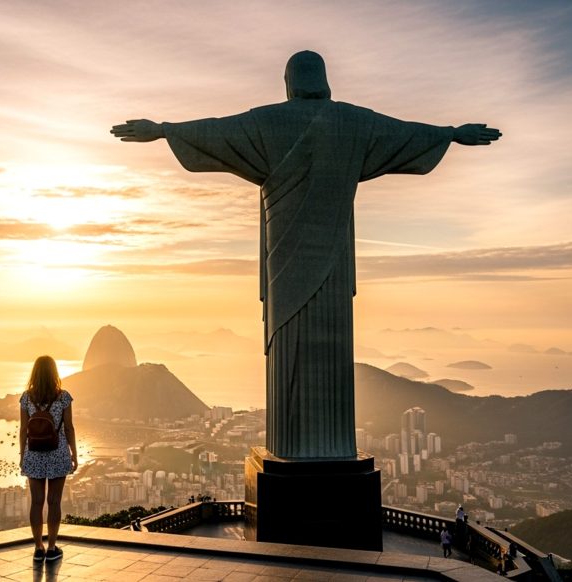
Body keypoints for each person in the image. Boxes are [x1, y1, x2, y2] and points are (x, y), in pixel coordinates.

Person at [111, 50, 501, 459]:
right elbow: (404, 133)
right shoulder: (355, 123)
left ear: (288, 82)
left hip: (284, 266)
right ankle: (331, 448)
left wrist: (164, 130)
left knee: (289, 348)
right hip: (334, 265)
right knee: (329, 353)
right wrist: (451, 133)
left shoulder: (266, 122)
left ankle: (295, 448)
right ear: (325, 79)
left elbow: (216, 131)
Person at [19, 355, 78, 562]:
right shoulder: (64, 397)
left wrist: (22, 456)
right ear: (55, 372)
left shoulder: (26, 397)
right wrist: (74, 454)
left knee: (36, 502)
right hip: (58, 453)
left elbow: (24, 429)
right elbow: (69, 428)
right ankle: (52, 548)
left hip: (33, 454)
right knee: (54, 501)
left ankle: (38, 548)